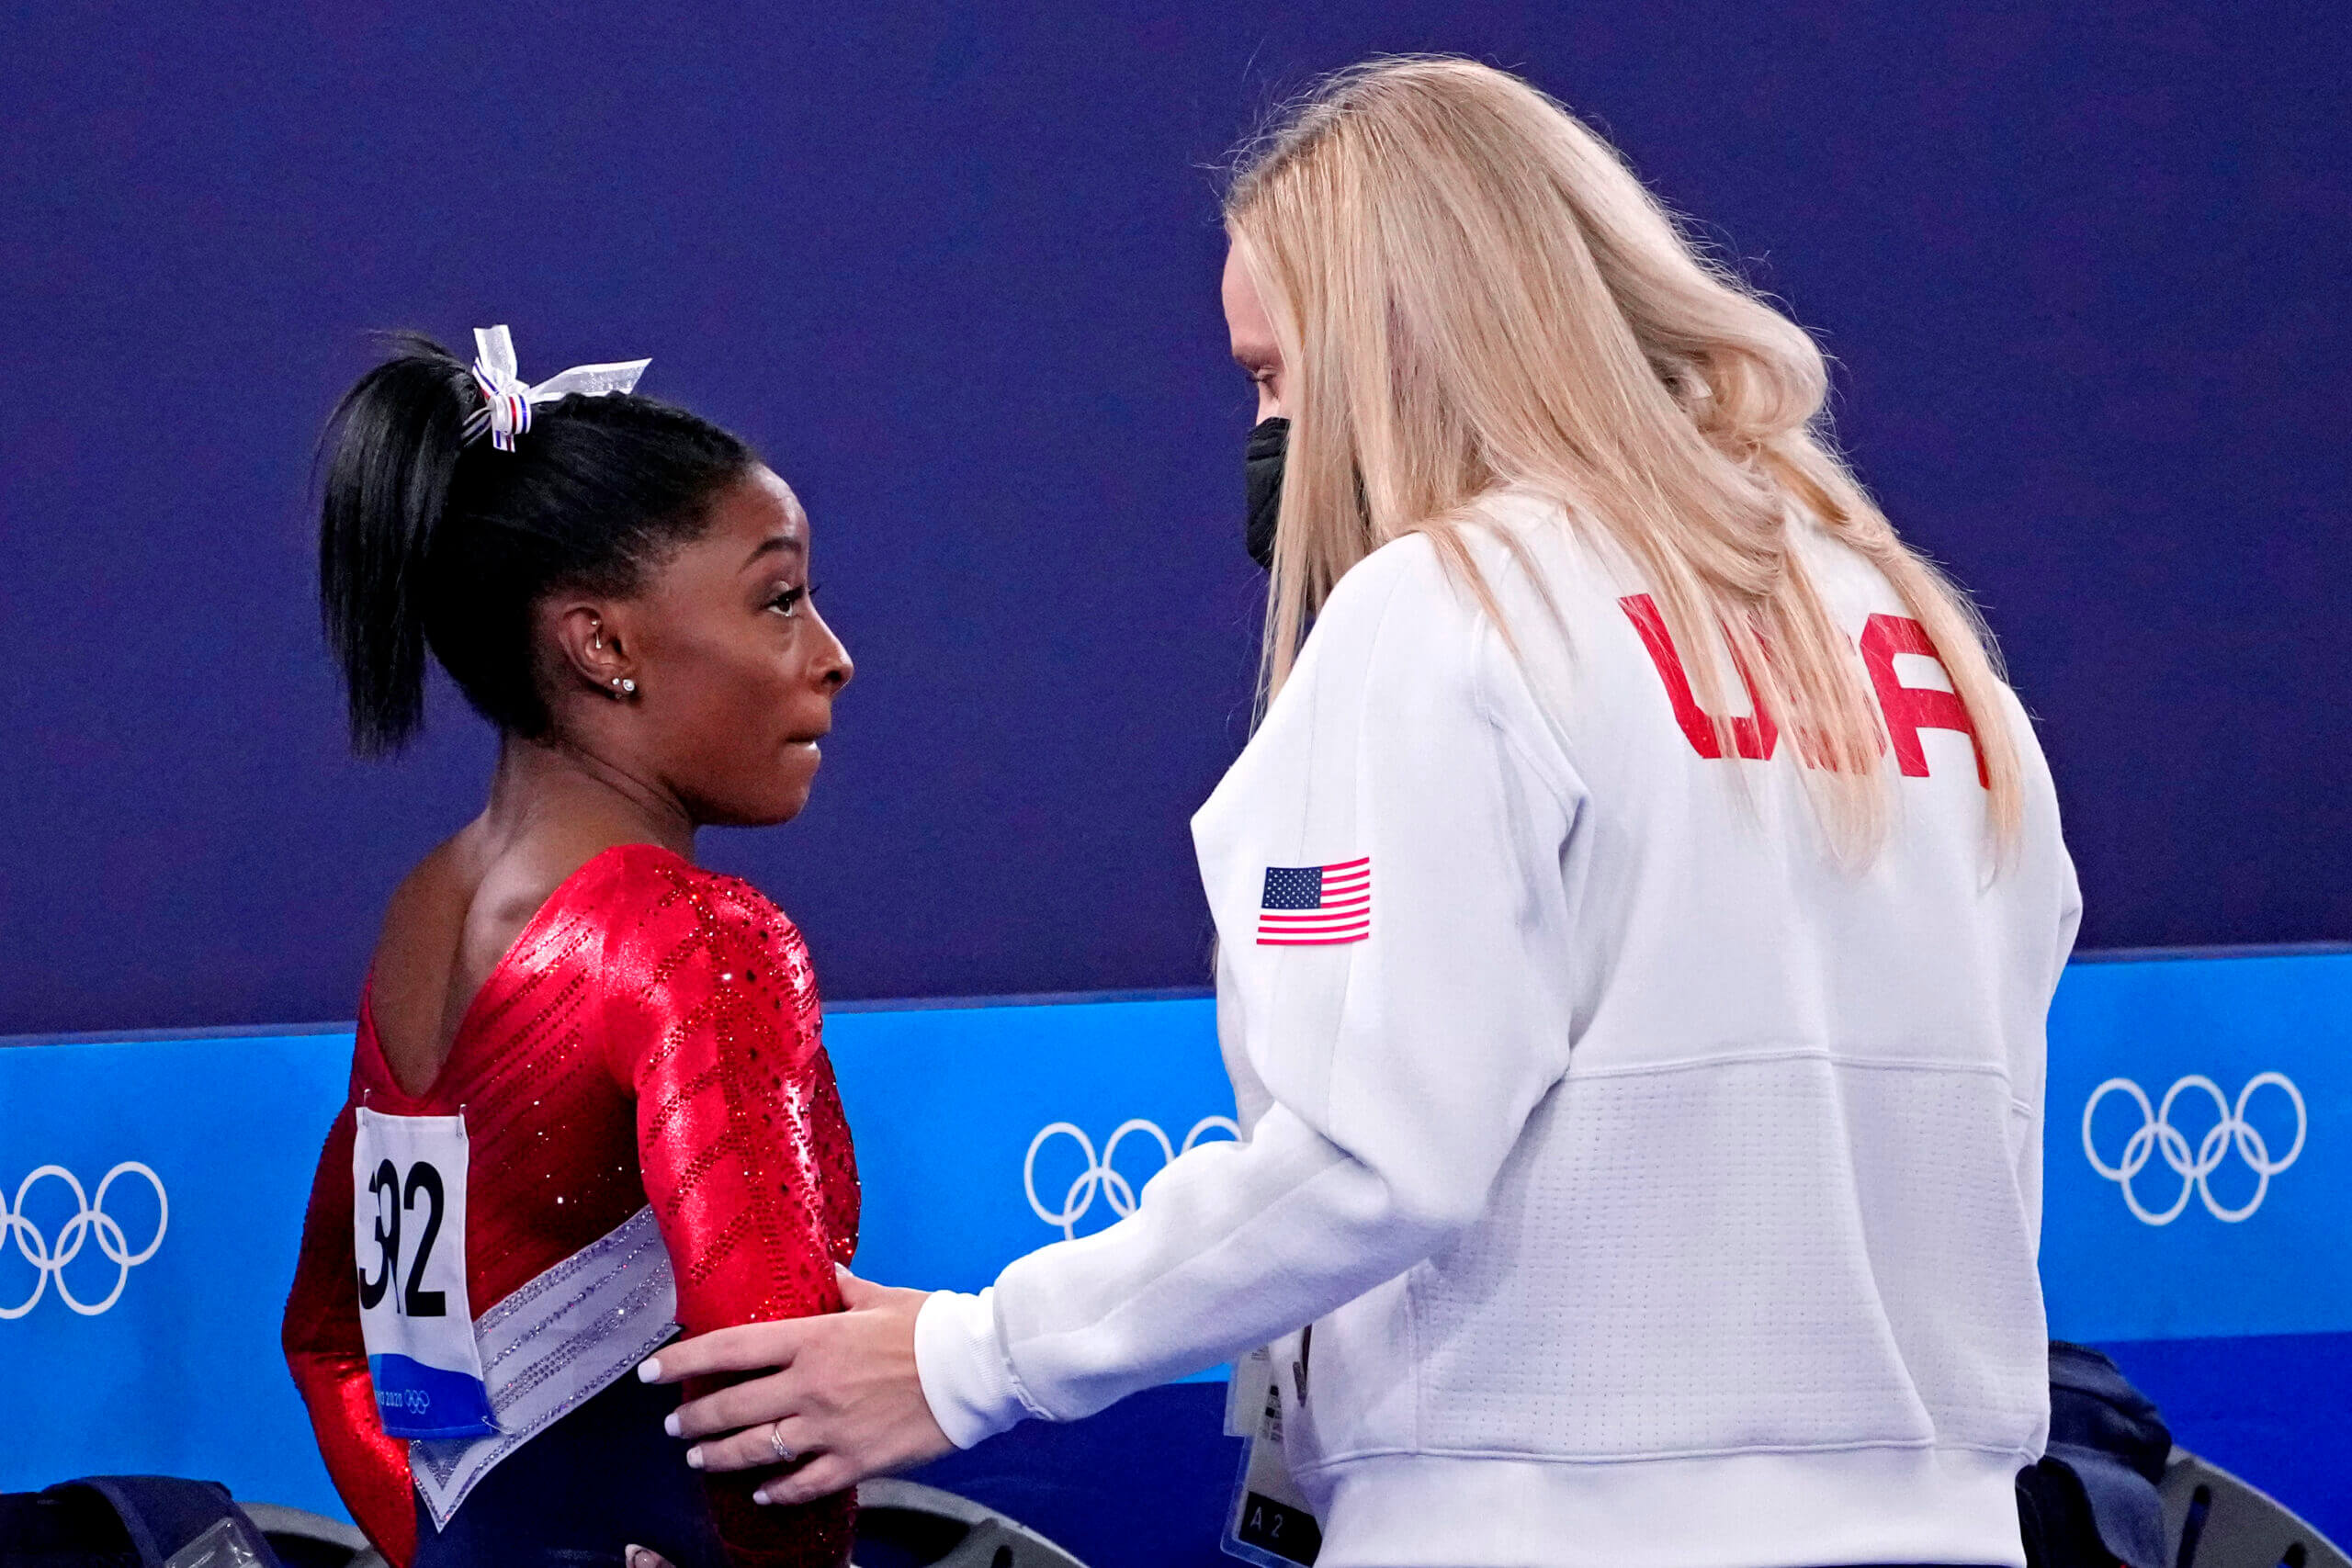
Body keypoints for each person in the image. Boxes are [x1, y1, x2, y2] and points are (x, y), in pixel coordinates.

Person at [645, 57, 2079, 1568]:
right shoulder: (1916, 631)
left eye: (1275, 376)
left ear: (1410, 347)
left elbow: (1373, 1154)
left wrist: (972, 1358)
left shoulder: (1449, 612)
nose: (1264, 432)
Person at [281, 327, 860, 1568]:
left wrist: (447, 1550)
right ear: (602, 645)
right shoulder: (695, 939)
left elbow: (335, 1342)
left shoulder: (422, 917)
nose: (831, 657)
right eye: (780, 600)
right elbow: (775, 1367)